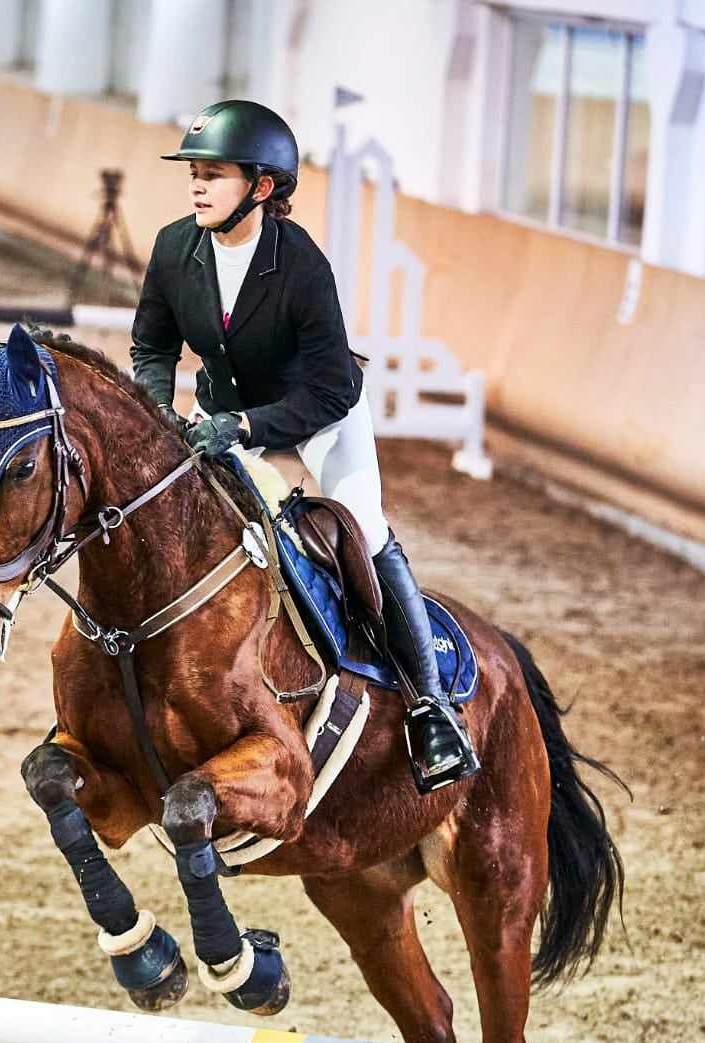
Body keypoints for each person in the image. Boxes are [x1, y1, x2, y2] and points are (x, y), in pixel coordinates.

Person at [130, 98, 479, 793]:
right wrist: (156, 406)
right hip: (222, 413)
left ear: (262, 187)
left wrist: (251, 431)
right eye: (193, 173)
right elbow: (152, 345)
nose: (197, 186)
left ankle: (430, 708)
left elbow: (327, 389)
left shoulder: (300, 266)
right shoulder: (176, 247)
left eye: (214, 174)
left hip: (317, 418)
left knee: (368, 532)